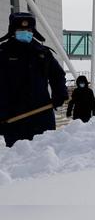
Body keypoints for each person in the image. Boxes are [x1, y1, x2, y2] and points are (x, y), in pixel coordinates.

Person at [0, 12, 68, 147]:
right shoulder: (3, 53)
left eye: (29, 30)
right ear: (13, 31)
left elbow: (57, 75)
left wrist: (59, 95)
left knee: (45, 154)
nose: (25, 32)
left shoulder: (42, 53)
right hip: (13, 117)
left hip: (42, 113)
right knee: (19, 156)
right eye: (21, 30)